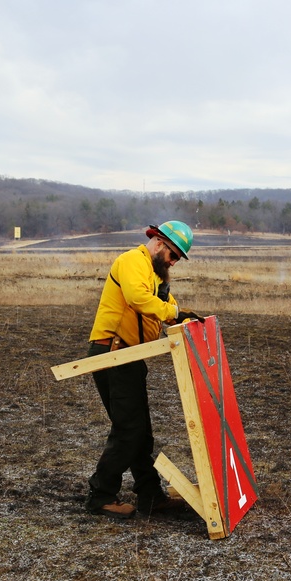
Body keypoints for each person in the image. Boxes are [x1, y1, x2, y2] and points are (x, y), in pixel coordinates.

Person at [84, 221, 205, 519]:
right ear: (160, 243)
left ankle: (150, 494)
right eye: (173, 256)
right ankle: (100, 496)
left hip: (130, 356)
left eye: (177, 259)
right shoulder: (132, 262)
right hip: (112, 352)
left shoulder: (155, 276)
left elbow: (167, 306)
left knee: (140, 430)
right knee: (129, 428)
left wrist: (184, 321)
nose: (173, 263)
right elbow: (139, 299)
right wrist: (174, 313)